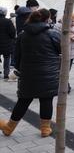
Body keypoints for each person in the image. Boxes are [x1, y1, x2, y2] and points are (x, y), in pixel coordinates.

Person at [0, 9, 60, 137]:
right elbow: (61, 49)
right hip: (48, 74)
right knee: (46, 99)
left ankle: (9, 127)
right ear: (46, 19)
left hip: (28, 74)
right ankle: (45, 129)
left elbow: (17, 57)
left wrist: (19, 69)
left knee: (23, 100)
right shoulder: (52, 34)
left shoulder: (22, 35)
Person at [0, 7, 16, 79]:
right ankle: (6, 73)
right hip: (6, 43)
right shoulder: (8, 21)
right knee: (6, 58)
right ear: (5, 13)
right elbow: (12, 32)